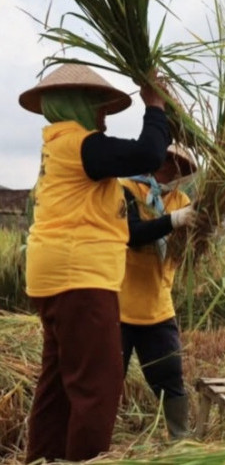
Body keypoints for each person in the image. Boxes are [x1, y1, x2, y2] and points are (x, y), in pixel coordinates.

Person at [20, 63, 171, 463]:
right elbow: (149, 153)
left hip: (55, 278)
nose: (102, 115)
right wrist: (155, 107)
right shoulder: (80, 145)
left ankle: (43, 458)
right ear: (75, 105)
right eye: (96, 105)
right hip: (79, 279)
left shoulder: (58, 146)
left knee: (58, 384)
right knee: (98, 386)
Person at [118, 143, 198, 440]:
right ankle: (96, 444)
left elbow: (188, 250)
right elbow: (132, 235)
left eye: (180, 166)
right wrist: (173, 221)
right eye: (167, 160)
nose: (172, 169)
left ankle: (181, 442)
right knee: (108, 381)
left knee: (171, 377)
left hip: (158, 307)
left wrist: (202, 233)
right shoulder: (126, 190)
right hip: (120, 307)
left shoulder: (182, 200)